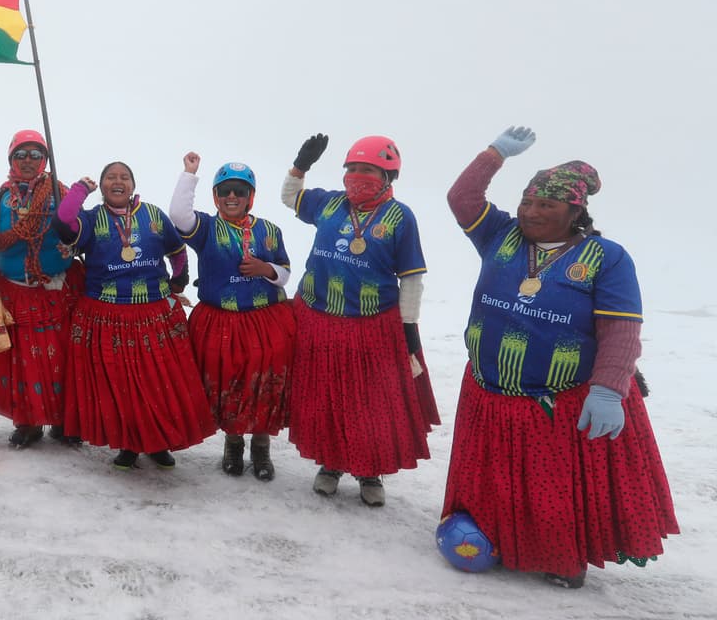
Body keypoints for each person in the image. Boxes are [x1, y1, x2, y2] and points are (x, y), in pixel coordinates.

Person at [442, 125, 678, 589]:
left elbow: (621, 330)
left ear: (575, 210)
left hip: (554, 401)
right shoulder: (500, 237)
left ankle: (558, 559)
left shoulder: (606, 258)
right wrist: (494, 154)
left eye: (545, 205)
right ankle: (493, 542)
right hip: (489, 392)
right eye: (527, 201)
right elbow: (462, 197)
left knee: (550, 493)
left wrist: (609, 388)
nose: (530, 212)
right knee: (491, 483)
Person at [280, 133, 439, 506]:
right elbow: (290, 198)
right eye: (351, 169)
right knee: (327, 397)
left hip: (371, 325)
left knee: (370, 403)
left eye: (367, 170)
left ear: (388, 176)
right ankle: (331, 465)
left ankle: (370, 473)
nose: (356, 176)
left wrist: (408, 328)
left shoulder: (401, 218)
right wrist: (300, 166)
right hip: (318, 317)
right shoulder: (329, 204)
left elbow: (412, 278)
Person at [54, 161, 215, 469]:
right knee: (119, 385)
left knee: (158, 382)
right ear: (101, 187)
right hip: (106, 314)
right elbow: (63, 221)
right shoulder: (91, 218)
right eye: (110, 177)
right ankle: (128, 443)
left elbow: (177, 250)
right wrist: (79, 190)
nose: (118, 181)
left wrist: (177, 281)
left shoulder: (153, 215)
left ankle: (157, 444)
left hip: (152, 312)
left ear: (132, 184)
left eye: (124, 177)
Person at [170, 153, 296, 481]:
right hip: (220, 322)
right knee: (229, 383)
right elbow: (179, 217)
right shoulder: (206, 228)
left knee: (263, 384)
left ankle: (261, 446)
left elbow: (285, 272)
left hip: (264, 322)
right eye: (225, 190)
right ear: (215, 195)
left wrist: (265, 269)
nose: (232, 197)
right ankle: (233, 443)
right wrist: (189, 174)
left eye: (240, 191)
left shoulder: (270, 230)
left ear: (250, 197)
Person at [0, 130, 82, 448]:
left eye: (36, 154)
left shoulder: (61, 194)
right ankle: (29, 422)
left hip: (58, 290)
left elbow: (80, 235)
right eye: (21, 154)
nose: (28, 160)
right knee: (22, 362)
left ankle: (65, 421)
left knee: (63, 360)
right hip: (13, 291)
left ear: (45, 160)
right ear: (11, 160)